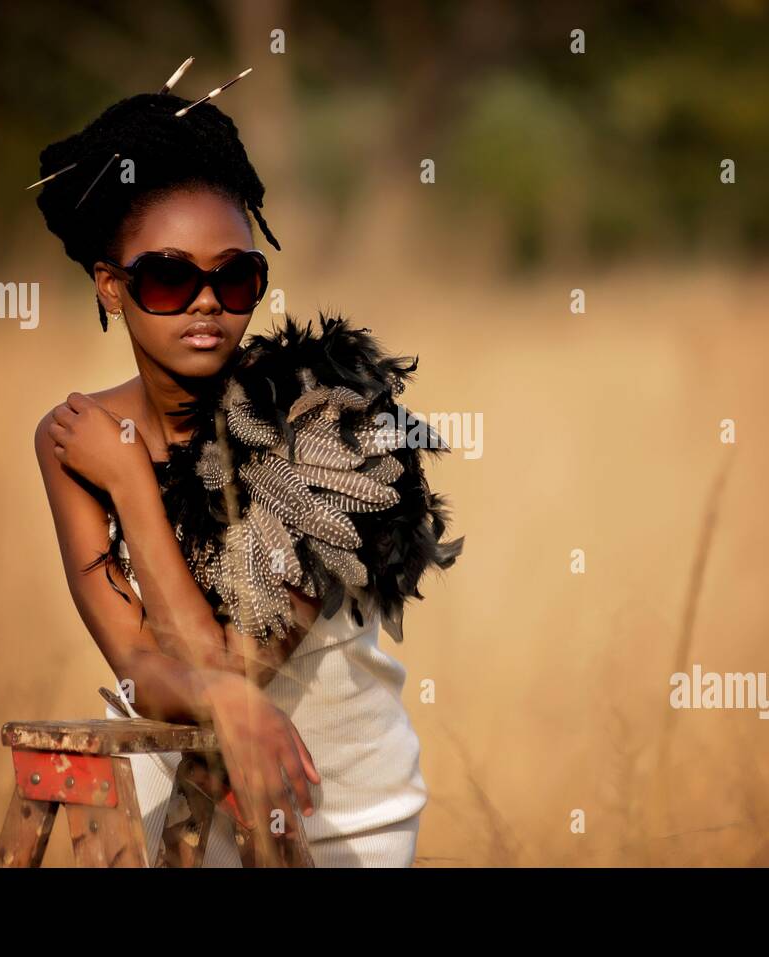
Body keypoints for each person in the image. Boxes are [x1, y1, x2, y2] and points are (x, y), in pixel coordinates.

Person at [29, 81, 460, 867]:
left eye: (233, 279)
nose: (206, 303)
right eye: (168, 277)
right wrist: (216, 696)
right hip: (171, 792)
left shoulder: (325, 423)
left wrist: (131, 485)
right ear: (111, 285)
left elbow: (233, 668)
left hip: (336, 808)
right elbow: (138, 665)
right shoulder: (74, 440)